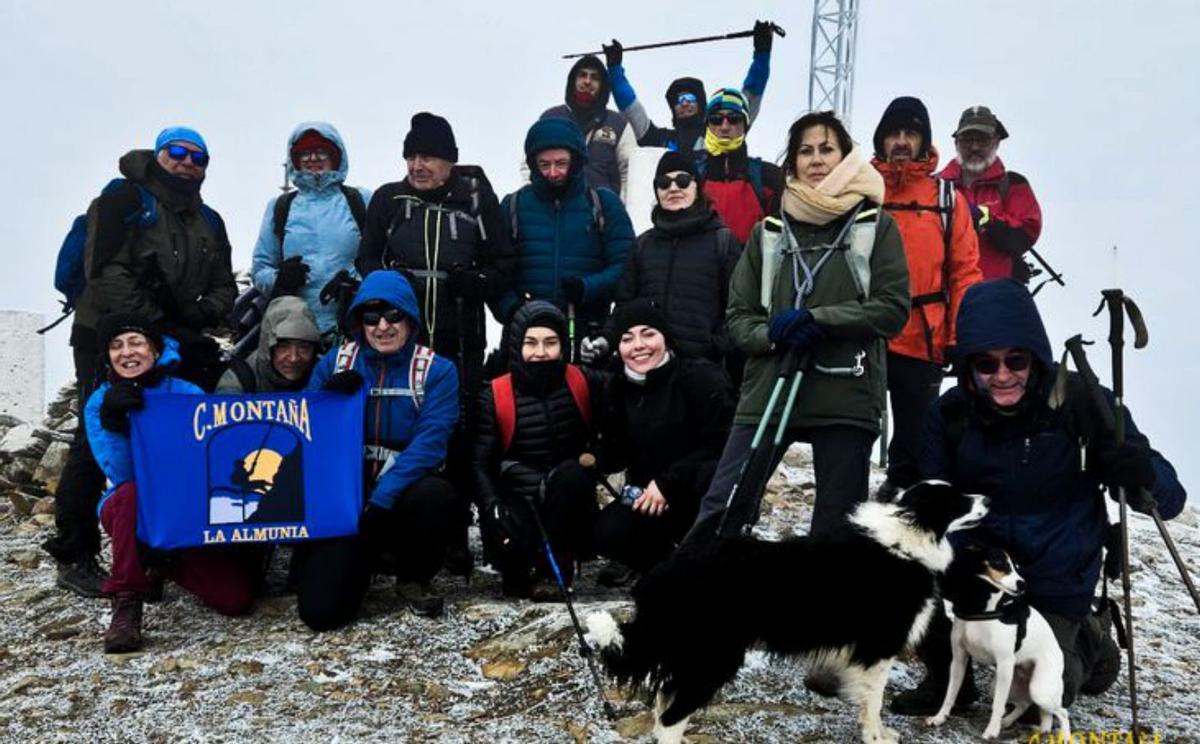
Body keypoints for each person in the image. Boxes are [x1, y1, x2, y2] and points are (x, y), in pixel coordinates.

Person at [890, 278, 1186, 715]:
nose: (1003, 374)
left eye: (1016, 359)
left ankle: (1089, 638)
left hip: (1056, 575)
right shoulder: (949, 414)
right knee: (910, 563)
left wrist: (1139, 470)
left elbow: (1171, 497)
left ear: (1036, 356)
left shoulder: (1083, 402)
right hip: (980, 568)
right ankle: (947, 675)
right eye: (986, 364)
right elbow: (932, 500)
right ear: (969, 368)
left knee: (1035, 703)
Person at [687, 110, 910, 543]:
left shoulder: (875, 226)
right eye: (805, 151)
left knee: (836, 526)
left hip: (845, 388)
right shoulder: (768, 232)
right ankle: (694, 598)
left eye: (827, 149)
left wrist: (819, 319)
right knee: (723, 506)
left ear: (846, 156)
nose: (816, 160)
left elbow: (891, 309)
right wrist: (773, 332)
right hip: (770, 383)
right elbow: (739, 316)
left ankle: (822, 611)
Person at [46, 126, 235, 597]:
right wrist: (162, 327)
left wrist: (200, 314)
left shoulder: (207, 220)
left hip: (171, 340)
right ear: (158, 154)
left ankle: (158, 545)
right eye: (177, 152)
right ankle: (75, 551)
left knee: (171, 431)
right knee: (98, 432)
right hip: (104, 339)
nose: (187, 162)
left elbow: (224, 286)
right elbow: (105, 271)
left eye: (199, 157)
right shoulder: (123, 198)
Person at [355, 112, 514, 576]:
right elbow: (366, 256)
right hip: (398, 336)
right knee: (404, 431)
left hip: (459, 335)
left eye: (429, 156)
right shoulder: (389, 199)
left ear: (450, 162)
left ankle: (454, 537)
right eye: (412, 155)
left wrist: (478, 281)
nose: (418, 164)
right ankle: (400, 530)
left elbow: (503, 260)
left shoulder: (478, 199)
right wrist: (385, 285)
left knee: (458, 433)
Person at [297, 270, 460, 628]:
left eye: (394, 316)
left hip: (399, 499)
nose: (383, 326)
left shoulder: (436, 370)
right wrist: (328, 400)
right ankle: (355, 565)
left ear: (410, 318)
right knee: (321, 614)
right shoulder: (336, 362)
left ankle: (413, 574)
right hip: (347, 501)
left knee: (437, 495)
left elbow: (430, 443)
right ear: (359, 322)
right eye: (371, 318)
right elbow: (304, 427)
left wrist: (382, 500)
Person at [86, 314, 258, 653]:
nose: (126, 352)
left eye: (136, 342)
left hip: (183, 507)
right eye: (116, 346)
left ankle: (161, 560)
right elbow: (121, 475)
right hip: (130, 507)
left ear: (155, 348)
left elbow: (207, 458)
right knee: (131, 495)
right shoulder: (99, 402)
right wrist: (116, 425)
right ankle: (126, 599)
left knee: (235, 599)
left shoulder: (186, 393)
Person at [871, 97, 983, 497]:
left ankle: (900, 505)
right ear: (880, 140)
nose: (901, 142)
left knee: (916, 435)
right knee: (850, 427)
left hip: (923, 334)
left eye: (911, 133)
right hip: (865, 330)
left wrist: (960, 337)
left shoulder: (947, 200)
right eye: (893, 134)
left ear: (924, 141)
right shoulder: (861, 191)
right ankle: (844, 502)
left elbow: (965, 273)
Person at [592, 300, 734, 583]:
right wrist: (592, 455)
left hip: (696, 491)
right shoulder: (616, 386)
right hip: (648, 498)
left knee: (711, 481)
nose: (639, 345)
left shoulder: (701, 376)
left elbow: (722, 444)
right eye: (627, 338)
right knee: (606, 532)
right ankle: (658, 564)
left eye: (648, 334)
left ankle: (703, 557)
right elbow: (616, 452)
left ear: (665, 338)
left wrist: (670, 483)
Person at [472, 301, 604, 600]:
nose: (541, 352)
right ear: (517, 345)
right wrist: (491, 504)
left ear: (563, 345)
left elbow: (621, 412)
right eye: (531, 343)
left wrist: (596, 456)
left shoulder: (583, 381)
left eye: (551, 343)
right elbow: (480, 462)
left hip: (566, 495)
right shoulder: (494, 394)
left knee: (572, 476)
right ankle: (519, 564)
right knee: (515, 579)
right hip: (517, 496)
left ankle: (558, 567)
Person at [591, 151, 739, 374]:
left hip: (702, 372)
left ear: (697, 187)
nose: (673, 188)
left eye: (682, 181)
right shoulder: (643, 245)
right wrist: (607, 338)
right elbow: (624, 305)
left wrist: (713, 347)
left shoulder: (723, 241)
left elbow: (737, 310)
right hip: (648, 371)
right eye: (664, 182)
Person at [498, 118, 634, 360]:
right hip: (526, 340)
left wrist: (586, 287)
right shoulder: (513, 206)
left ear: (576, 161)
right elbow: (494, 271)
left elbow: (626, 267)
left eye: (561, 163)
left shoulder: (603, 204)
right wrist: (513, 310)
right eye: (544, 164)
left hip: (587, 336)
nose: (552, 173)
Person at [251, 122, 372, 341]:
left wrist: (359, 286)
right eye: (305, 152)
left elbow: (381, 259)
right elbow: (260, 269)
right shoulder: (280, 207)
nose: (313, 158)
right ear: (294, 159)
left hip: (353, 326)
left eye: (321, 151)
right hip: (293, 332)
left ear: (337, 156)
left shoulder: (360, 201)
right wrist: (280, 279)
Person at [604, 20, 774, 153]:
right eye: (679, 101)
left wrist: (762, 52)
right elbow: (631, 109)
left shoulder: (721, 128)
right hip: (674, 195)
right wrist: (614, 68)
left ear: (701, 104)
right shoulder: (659, 139)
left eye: (690, 98)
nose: (684, 103)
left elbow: (750, 95)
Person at [939, 106, 1043, 282]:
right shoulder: (936, 186)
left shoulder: (1013, 184)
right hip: (946, 298)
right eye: (967, 140)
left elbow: (1026, 234)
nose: (974, 147)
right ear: (956, 144)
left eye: (982, 140)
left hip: (997, 297)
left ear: (996, 142)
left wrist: (987, 218)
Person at [536, 55, 636, 199]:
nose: (587, 81)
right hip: (555, 210)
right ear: (573, 81)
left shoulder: (618, 124)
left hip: (603, 214)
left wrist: (623, 212)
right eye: (582, 75)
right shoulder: (550, 118)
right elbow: (529, 164)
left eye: (595, 77)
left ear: (602, 85)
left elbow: (630, 172)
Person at [696, 88, 783, 243]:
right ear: (707, 125)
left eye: (734, 119)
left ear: (745, 125)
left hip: (753, 266)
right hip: (702, 265)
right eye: (716, 119)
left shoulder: (768, 176)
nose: (724, 126)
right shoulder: (691, 176)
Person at [215, 296, 321, 394]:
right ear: (267, 347)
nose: (294, 358)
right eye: (283, 347)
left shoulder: (325, 373)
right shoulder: (238, 380)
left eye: (304, 347)